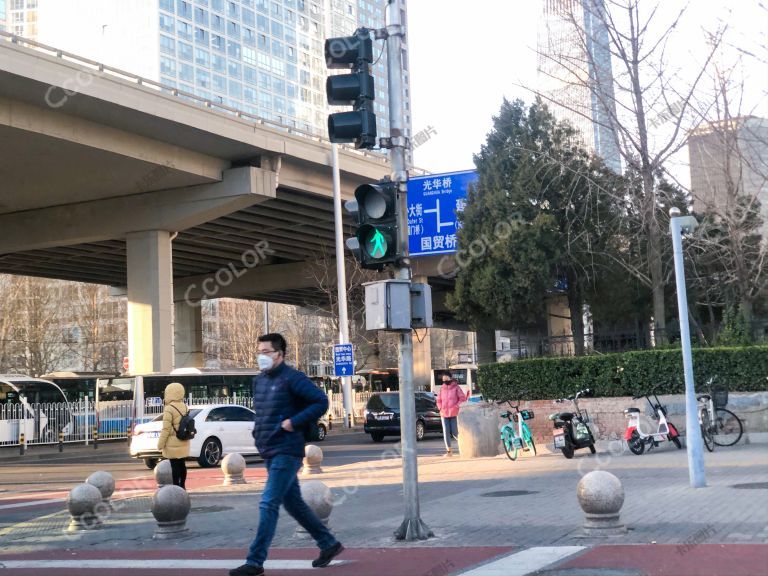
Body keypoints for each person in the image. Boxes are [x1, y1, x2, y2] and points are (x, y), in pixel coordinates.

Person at [230, 333, 344, 576]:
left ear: (279, 354)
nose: (261, 356)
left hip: (287, 450)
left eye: (266, 352)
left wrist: (294, 422)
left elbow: (320, 402)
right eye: (259, 352)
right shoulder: (259, 381)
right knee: (294, 505)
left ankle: (255, 561)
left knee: (268, 502)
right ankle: (328, 544)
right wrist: (258, 434)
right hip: (269, 449)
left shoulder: (293, 378)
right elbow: (263, 413)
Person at [156, 382, 190, 489]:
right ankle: (183, 486)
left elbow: (166, 429)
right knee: (182, 464)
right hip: (184, 439)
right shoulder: (185, 407)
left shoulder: (169, 408)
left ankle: (176, 487)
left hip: (172, 442)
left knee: (174, 465)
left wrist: (160, 444)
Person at [436, 375, 466, 457]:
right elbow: (438, 400)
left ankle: (464, 447)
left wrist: (456, 406)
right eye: (443, 379)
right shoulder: (442, 388)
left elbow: (462, 398)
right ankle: (449, 452)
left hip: (454, 413)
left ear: (450, 378)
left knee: (455, 432)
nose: (445, 380)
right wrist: (440, 408)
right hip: (444, 413)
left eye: (446, 378)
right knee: (446, 432)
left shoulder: (456, 387)